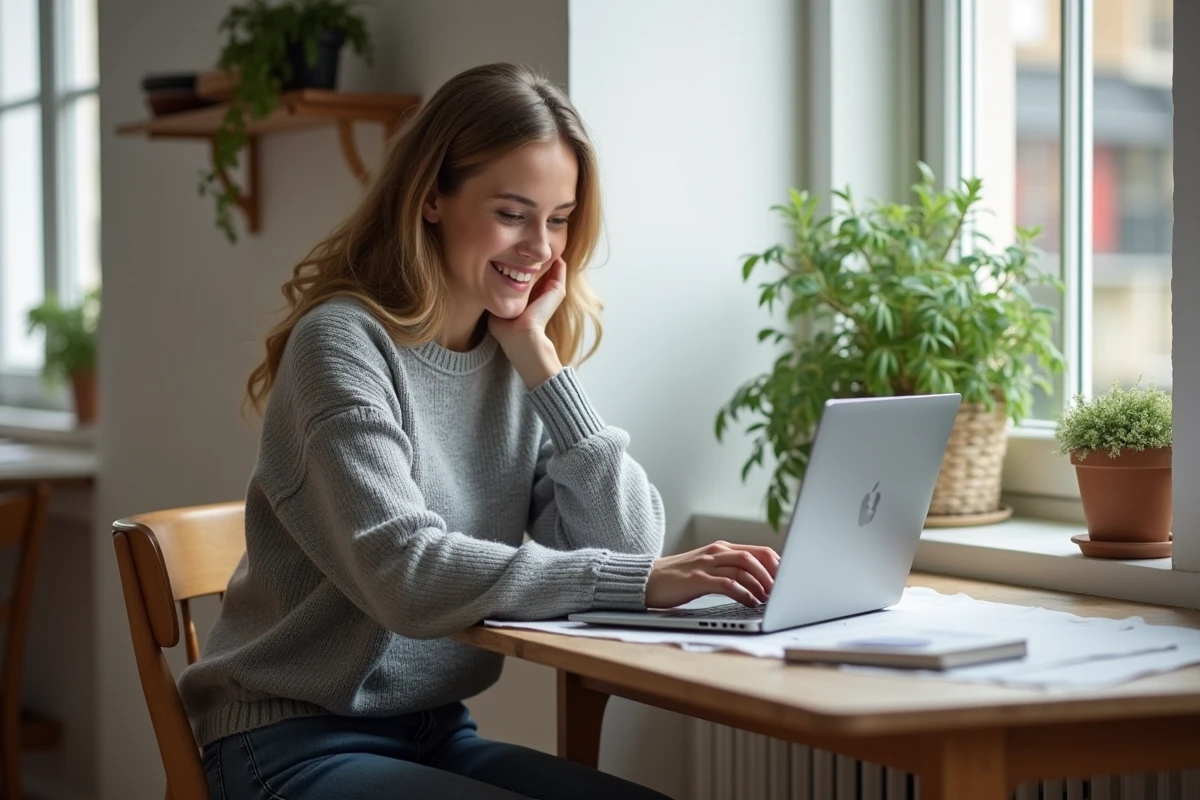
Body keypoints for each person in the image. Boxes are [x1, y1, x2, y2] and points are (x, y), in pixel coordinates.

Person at [180, 62, 780, 800]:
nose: (540, 247)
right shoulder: (340, 346)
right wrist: (638, 583)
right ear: (431, 196)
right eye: (512, 212)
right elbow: (405, 575)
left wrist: (542, 362)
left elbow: (627, 550)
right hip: (288, 741)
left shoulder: (512, 359)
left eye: (559, 219)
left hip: (434, 732)